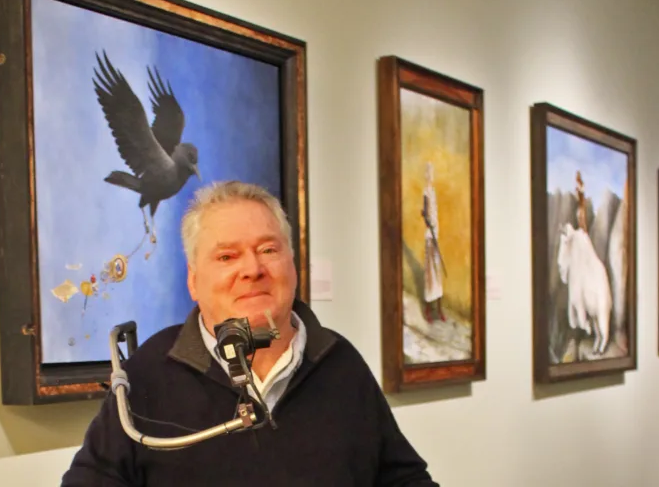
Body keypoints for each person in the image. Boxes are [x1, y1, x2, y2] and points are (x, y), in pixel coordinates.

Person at [61, 180, 438, 486]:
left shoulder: (339, 362)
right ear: (194, 281)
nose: (252, 269)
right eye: (226, 256)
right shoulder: (149, 371)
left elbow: (403, 478)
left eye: (268, 249)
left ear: (292, 264)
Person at [421, 162, 445, 322]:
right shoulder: (425, 192)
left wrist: (435, 225)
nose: (431, 175)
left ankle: (439, 309)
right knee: (430, 274)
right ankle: (429, 309)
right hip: (430, 237)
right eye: (428, 172)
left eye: (432, 172)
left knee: (438, 273)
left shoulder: (434, 191)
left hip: (436, 234)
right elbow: (425, 213)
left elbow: (435, 213)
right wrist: (428, 221)